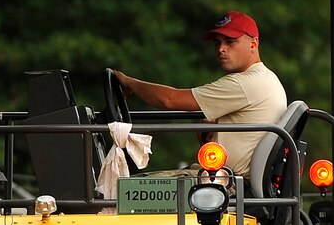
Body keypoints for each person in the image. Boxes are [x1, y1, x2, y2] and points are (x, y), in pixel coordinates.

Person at [113, 11, 288, 176]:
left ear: (253, 43)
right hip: (227, 180)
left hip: (227, 184)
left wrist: (129, 82)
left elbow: (169, 100)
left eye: (230, 41)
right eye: (217, 42)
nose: (221, 49)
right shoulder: (267, 78)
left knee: (127, 192)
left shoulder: (245, 83)